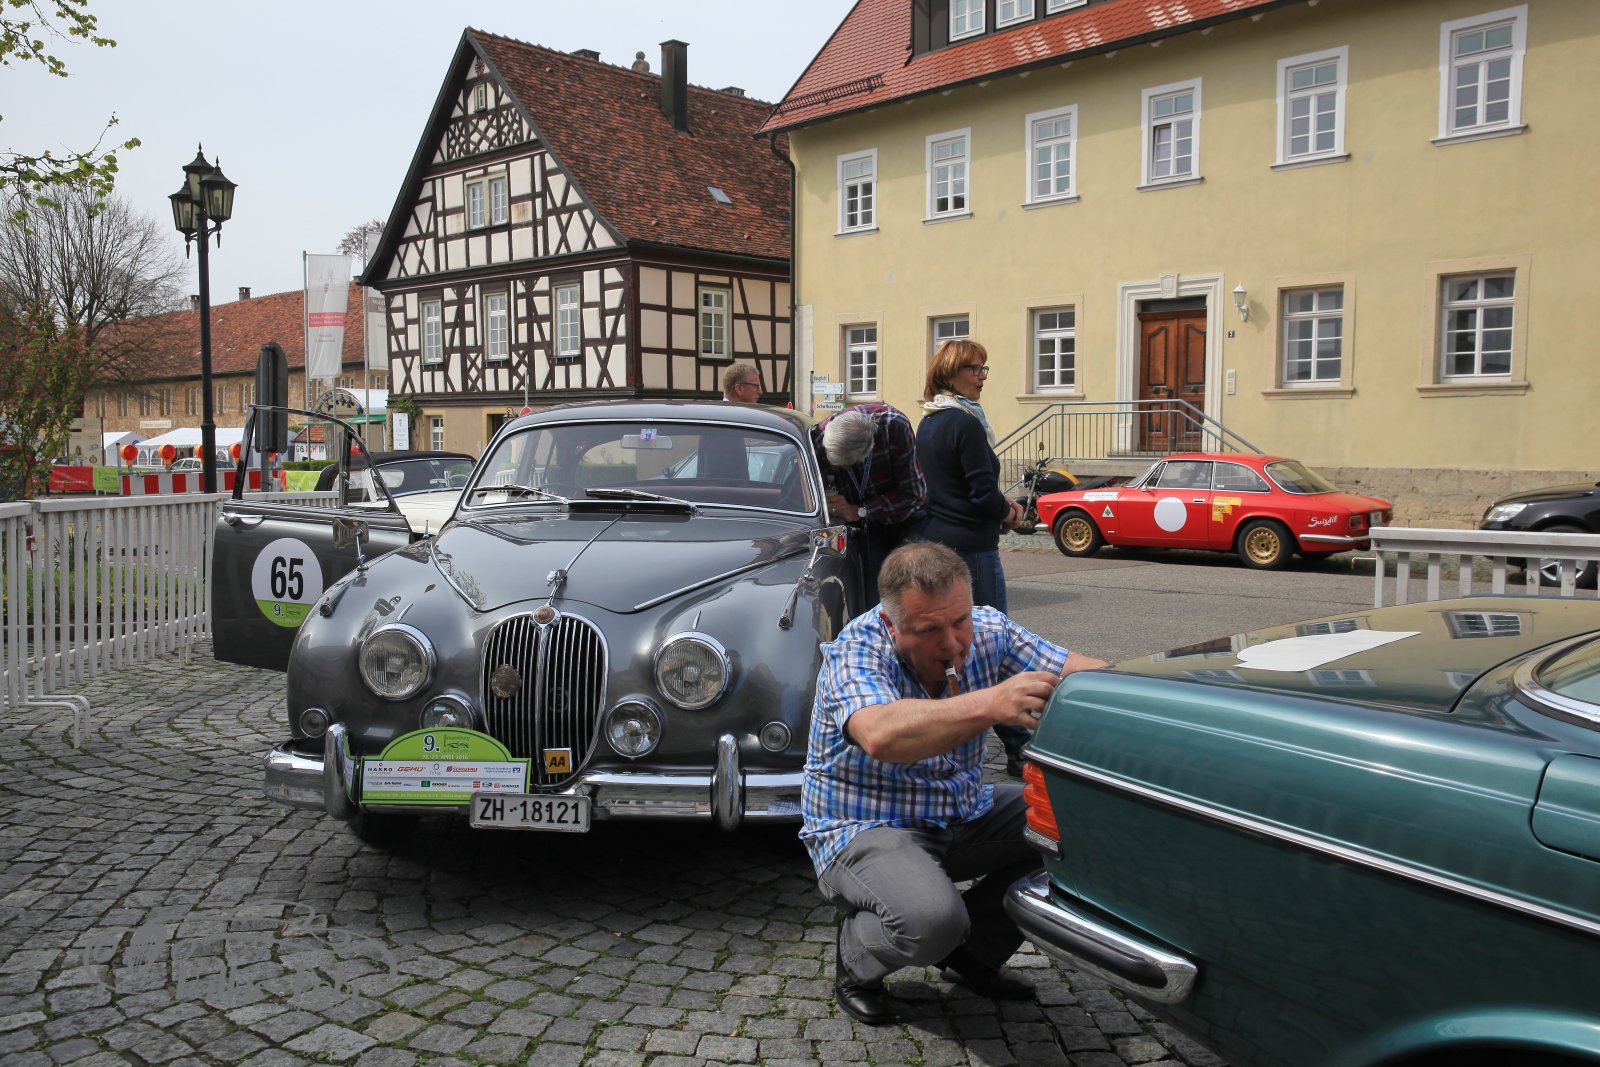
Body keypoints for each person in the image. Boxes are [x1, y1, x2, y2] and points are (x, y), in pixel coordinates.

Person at [801, 541, 1107, 1025]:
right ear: (891, 624)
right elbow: (880, 734)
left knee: (1086, 827)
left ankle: (973, 954)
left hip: (961, 808)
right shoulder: (856, 649)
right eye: (929, 630)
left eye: (959, 620)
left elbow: (1085, 678)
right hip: (862, 824)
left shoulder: (989, 628)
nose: (952, 643)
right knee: (931, 922)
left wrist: (1174, 683)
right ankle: (857, 959)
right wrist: (991, 703)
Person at [915, 338, 1032, 775]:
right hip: (971, 549)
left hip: (937, 541)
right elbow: (982, 494)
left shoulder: (929, 421)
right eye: (974, 369)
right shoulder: (965, 424)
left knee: (948, 646)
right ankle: (1019, 746)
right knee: (991, 642)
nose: (982, 377)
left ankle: (942, 735)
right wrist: (1010, 512)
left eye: (985, 368)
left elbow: (946, 490)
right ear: (949, 373)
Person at [811, 405, 927, 610]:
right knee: (874, 596)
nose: (835, 469)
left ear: (867, 452)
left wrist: (858, 511)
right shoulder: (819, 439)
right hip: (863, 530)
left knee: (913, 587)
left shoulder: (895, 426)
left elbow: (914, 494)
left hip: (905, 519)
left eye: (841, 467)